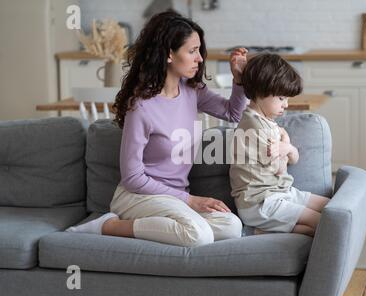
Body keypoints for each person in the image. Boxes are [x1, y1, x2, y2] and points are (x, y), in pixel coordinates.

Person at [66, 11, 249, 247]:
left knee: (231, 226)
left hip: (173, 199)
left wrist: (239, 80)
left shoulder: (193, 90)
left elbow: (232, 113)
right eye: (192, 51)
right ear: (170, 54)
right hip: (138, 197)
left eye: (198, 51)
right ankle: (107, 226)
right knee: (199, 235)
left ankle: (175, 226)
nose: (200, 59)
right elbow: (132, 177)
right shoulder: (141, 106)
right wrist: (190, 200)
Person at [229, 53, 330, 237]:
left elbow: (293, 158)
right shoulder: (253, 126)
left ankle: (260, 230)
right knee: (324, 223)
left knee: (331, 207)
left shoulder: (268, 121)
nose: (286, 105)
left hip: (281, 192)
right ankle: (254, 230)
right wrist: (286, 150)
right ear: (261, 92)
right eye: (282, 98)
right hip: (260, 202)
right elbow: (279, 169)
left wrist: (287, 147)